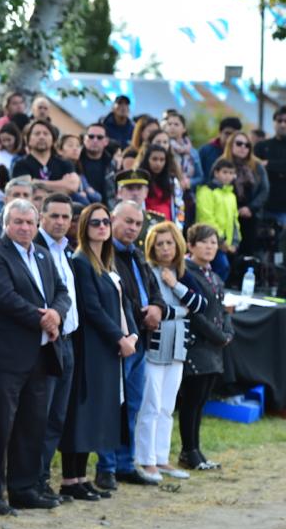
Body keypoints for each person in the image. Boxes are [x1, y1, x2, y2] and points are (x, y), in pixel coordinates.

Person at [0, 199, 71, 515]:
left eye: (30, 222)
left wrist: (56, 313)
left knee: (32, 423)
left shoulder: (42, 254)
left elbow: (62, 292)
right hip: (5, 355)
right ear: (6, 223)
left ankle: (24, 488)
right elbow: (1, 296)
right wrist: (40, 318)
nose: (25, 228)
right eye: (18, 222)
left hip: (41, 353)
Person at [60, 203, 138, 500]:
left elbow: (123, 304)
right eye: (96, 223)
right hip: (90, 347)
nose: (103, 227)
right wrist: (119, 338)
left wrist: (130, 333)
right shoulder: (80, 262)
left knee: (97, 414)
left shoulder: (106, 262)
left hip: (108, 349)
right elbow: (91, 307)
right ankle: (70, 478)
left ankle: (81, 476)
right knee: (82, 413)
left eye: (106, 221)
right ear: (84, 227)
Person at [94, 200, 167, 491]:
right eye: (128, 221)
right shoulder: (105, 254)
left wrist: (158, 309)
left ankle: (126, 463)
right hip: (118, 343)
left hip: (140, 344)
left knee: (133, 405)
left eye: (138, 224)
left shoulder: (137, 255)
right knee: (114, 406)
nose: (133, 228)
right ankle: (107, 467)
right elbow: (115, 300)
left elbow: (155, 292)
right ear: (113, 219)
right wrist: (142, 314)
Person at [137, 222, 205, 483]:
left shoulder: (182, 273)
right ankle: (146, 459)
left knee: (167, 406)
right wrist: (178, 311)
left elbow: (199, 305)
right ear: (151, 247)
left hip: (177, 349)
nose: (165, 248)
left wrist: (176, 286)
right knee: (150, 405)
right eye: (159, 244)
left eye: (169, 243)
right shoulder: (147, 272)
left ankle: (161, 456)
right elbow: (154, 310)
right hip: (154, 347)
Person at [34, 194, 80, 500]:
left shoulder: (66, 250)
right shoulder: (35, 248)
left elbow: (65, 295)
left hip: (68, 340)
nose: (60, 222)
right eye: (55, 216)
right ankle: (33, 479)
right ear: (42, 216)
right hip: (45, 341)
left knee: (57, 417)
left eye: (66, 217)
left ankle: (42, 479)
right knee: (41, 415)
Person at [179, 223, 233, 471]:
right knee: (191, 401)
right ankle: (188, 451)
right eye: (204, 241)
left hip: (214, 348)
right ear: (190, 245)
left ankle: (196, 450)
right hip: (197, 346)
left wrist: (227, 332)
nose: (210, 247)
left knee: (202, 401)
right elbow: (194, 313)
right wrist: (217, 335)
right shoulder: (186, 272)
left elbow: (223, 309)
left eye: (214, 242)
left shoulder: (214, 276)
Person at [220, 129, 268, 259]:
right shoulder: (222, 164)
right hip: (226, 216)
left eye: (247, 145)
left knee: (248, 255)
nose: (243, 148)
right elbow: (214, 188)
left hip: (250, 215)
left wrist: (250, 208)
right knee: (228, 253)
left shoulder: (256, 165)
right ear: (231, 145)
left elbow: (264, 189)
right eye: (239, 143)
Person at [195, 159, 240, 282]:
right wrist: (220, 240)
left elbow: (234, 221)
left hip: (227, 244)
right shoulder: (206, 191)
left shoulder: (231, 195)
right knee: (221, 267)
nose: (228, 176)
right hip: (210, 240)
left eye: (231, 173)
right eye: (225, 172)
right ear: (216, 172)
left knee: (221, 270)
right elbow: (206, 217)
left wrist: (235, 242)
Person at [11, 120, 79, 195]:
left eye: (46, 134)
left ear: (53, 140)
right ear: (28, 140)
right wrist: (62, 184)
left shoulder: (65, 164)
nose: (41, 137)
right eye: (37, 134)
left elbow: (72, 186)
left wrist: (37, 182)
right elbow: (26, 189)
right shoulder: (21, 164)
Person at [254, 105, 286, 232]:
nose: (283, 125)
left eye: (285, 121)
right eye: (279, 121)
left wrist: (268, 164)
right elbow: (256, 168)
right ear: (274, 122)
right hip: (265, 206)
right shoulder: (262, 146)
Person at [137, 144, 182, 225]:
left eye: (162, 160)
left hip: (169, 227)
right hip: (146, 227)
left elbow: (180, 207)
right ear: (147, 160)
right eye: (154, 159)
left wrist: (178, 228)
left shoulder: (172, 181)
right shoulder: (139, 182)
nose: (158, 163)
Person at [80, 122, 115, 207]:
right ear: (85, 139)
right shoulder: (74, 161)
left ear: (106, 141)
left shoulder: (113, 164)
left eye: (99, 137)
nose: (95, 140)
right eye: (91, 136)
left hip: (105, 209)